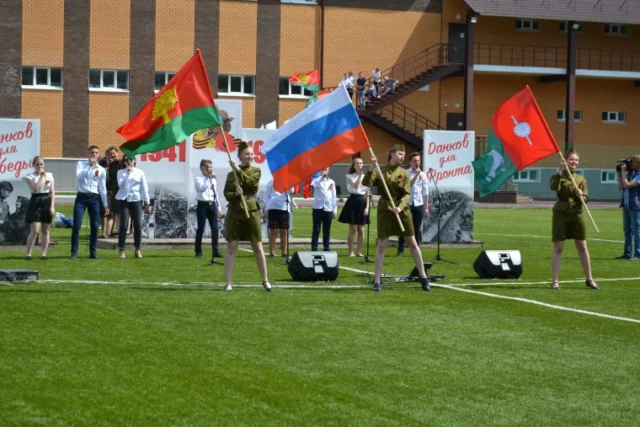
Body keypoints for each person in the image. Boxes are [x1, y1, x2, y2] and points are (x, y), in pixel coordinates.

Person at [363, 144, 430, 292]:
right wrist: (371, 167)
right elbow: (366, 183)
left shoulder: (404, 173)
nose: (402, 157)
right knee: (381, 245)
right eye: (400, 153)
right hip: (385, 211)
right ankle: (377, 281)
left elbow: (407, 193)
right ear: (392, 153)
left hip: (402, 210)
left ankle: (423, 276)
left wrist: (400, 207)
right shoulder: (381, 171)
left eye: (403, 154)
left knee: (412, 242)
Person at [223, 139, 272, 292]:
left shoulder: (256, 170)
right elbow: (226, 193)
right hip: (235, 212)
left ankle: (265, 280)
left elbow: (251, 184)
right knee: (232, 247)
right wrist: (235, 194)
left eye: (251, 154)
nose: (250, 157)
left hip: (251, 211)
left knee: (257, 246)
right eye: (246, 154)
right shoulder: (230, 174)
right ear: (240, 156)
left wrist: (238, 170)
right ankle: (228, 283)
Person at [550, 149, 599, 290]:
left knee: (582, 245)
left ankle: (589, 279)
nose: (574, 162)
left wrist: (579, 195)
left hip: (577, 212)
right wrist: (559, 170)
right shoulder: (559, 176)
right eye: (571, 159)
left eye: (576, 160)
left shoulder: (581, 179)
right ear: (565, 161)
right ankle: (555, 281)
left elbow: (585, 198)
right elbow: (554, 187)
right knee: (558, 247)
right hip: (561, 213)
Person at [71, 145, 109, 259]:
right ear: (88, 154)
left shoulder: (101, 170)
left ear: (99, 155)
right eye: (92, 152)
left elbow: (102, 188)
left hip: (94, 198)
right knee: (76, 225)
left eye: (96, 153)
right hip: (81, 197)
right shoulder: (81, 164)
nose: (94, 154)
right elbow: (79, 177)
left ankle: (93, 252)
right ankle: (74, 252)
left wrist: (105, 204)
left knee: (94, 225)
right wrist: (90, 167)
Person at [115, 155, 151, 259]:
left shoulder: (140, 172)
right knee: (124, 225)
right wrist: (128, 173)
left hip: (136, 199)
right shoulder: (120, 172)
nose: (129, 161)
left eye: (131, 159)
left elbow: (144, 188)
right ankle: (121, 249)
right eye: (126, 160)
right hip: (124, 199)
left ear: (134, 161)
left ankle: (138, 249)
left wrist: (147, 203)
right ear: (124, 162)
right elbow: (121, 185)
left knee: (138, 225)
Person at [22, 156, 55, 260]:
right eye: (37, 164)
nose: (40, 166)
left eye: (41, 164)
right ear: (33, 165)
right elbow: (36, 188)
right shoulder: (29, 176)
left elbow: (52, 192)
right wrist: (42, 177)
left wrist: (52, 206)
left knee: (45, 230)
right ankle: (28, 254)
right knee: (35, 230)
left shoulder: (50, 175)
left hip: (46, 200)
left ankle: (44, 254)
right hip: (35, 201)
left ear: (44, 164)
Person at [397, 152, 430, 257]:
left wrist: (426, 207)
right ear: (410, 162)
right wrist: (416, 175)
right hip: (407, 204)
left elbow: (425, 192)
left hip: (419, 204)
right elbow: (407, 186)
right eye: (415, 161)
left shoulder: (423, 175)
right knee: (405, 227)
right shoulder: (403, 173)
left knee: (417, 228)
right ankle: (400, 250)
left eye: (418, 161)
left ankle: (416, 250)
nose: (417, 163)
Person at [338, 158, 369, 257]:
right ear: (354, 166)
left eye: (361, 163)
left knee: (361, 229)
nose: (360, 165)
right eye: (357, 164)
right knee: (352, 229)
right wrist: (360, 175)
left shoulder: (366, 177)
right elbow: (355, 186)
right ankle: (351, 251)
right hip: (353, 201)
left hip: (362, 202)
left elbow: (367, 193)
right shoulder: (350, 176)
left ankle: (359, 251)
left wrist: (367, 207)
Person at [194, 159, 224, 261]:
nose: (211, 169)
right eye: (208, 167)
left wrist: (219, 207)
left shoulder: (213, 180)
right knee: (201, 229)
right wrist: (209, 179)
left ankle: (215, 251)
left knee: (215, 229)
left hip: (212, 205)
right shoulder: (198, 179)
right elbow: (201, 188)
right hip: (202, 205)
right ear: (203, 168)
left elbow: (216, 194)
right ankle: (198, 251)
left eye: (211, 167)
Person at [616, 155, 640, 260]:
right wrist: (619, 172)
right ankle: (628, 253)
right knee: (627, 231)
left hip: (635, 206)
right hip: (626, 206)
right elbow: (621, 186)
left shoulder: (639, 175)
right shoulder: (630, 174)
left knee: (636, 230)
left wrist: (623, 172)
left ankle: (638, 254)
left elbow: (627, 185)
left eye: (633, 162)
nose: (631, 164)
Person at [263, 179, 294, 258]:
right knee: (273, 230)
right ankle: (271, 252)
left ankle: (284, 252)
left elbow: (292, 190)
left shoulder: (287, 181)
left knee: (284, 231)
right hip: (273, 207)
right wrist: (265, 207)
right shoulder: (271, 182)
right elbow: (266, 195)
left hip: (284, 208)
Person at [311, 167, 337, 252]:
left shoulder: (331, 182)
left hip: (328, 208)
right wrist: (321, 177)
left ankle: (326, 248)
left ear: (329, 170)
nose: (324, 171)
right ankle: (314, 249)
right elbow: (313, 185)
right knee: (316, 229)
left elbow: (333, 197)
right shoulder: (316, 180)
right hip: (318, 208)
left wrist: (334, 210)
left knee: (327, 230)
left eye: (326, 169)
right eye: (322, 169)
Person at [104, 146, 121, 238]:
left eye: (114, 153)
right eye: (110, 154)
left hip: (118, 192)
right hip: (110, 192)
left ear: (117, 153)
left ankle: (119, 232)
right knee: (110, 214)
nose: (112, 155)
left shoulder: (120, 164)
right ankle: (108, 233)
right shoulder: (107, 165)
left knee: (118, 213)